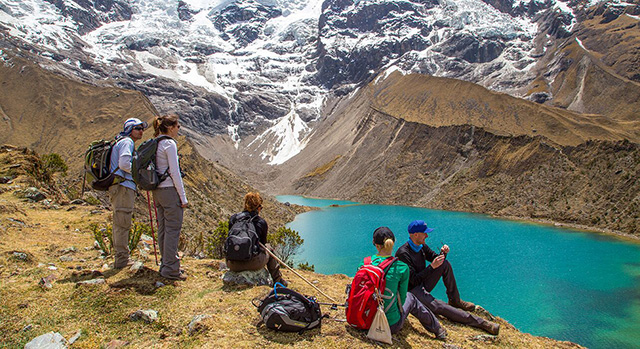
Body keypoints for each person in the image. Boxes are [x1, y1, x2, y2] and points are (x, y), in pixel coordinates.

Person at [395, 220, 500, 335]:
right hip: (412, 291)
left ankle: (455, 300)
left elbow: (435, 259)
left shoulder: (421, 246)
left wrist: (443, 253)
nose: (427, 235)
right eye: (424, 233)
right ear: (415, 234)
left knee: (445, 264)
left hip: (421, 284)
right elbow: (413, 280)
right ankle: (482, 323)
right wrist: (431, 267)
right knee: (439, 306)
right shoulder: (403, 253)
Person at [363, 227, 447, 339]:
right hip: (388, 326)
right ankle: (438, 330)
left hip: (363, 319)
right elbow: (402, 300)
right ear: (393, 243)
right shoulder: (401, 268)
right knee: (410, 297)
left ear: (375, 244)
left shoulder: (365, 263)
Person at [152, 114, 188, 281]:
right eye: (178, 126)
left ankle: (165, 265)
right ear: (171, 127)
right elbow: (175, 172)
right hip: (169, 190)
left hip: (157, 192)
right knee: (173, 229)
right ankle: (171, 270)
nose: (179, 129)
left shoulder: (156, 142)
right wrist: (183, 198)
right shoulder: (169, 144)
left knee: (163, 229)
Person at [108, 117, 146, 269]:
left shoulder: (121, 141)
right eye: (138, 128)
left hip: (119, 186)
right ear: (130, 129)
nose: (141, 131)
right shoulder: (127, 142)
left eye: (142, 128)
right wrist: (138, 174)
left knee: (120, 221)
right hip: (123, 187)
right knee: (123, 222)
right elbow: (124, 164)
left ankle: (121, 256)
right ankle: (122, 259)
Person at [226, 192, 287, 286]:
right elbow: (262, 244)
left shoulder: (234, 219)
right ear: (258, 207)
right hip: (252, 263)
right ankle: (278, 281)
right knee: (268, 248)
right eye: (261, 208)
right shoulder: (261, 222)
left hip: (232, 264)